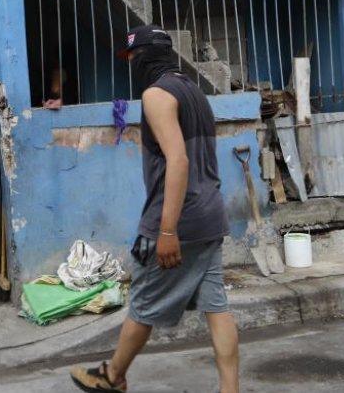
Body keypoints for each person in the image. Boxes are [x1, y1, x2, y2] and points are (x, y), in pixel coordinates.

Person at [70, 25, 239, 393]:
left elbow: (178, 161)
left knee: (143, 303)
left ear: (143, 56)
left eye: (131, 58)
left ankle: (112, 377)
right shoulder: (194, 91)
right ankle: (230, 389)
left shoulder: (157, 95)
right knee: (216, 306)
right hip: (211, 214)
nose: (130, 64)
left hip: (178, 219)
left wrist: (166, 231)